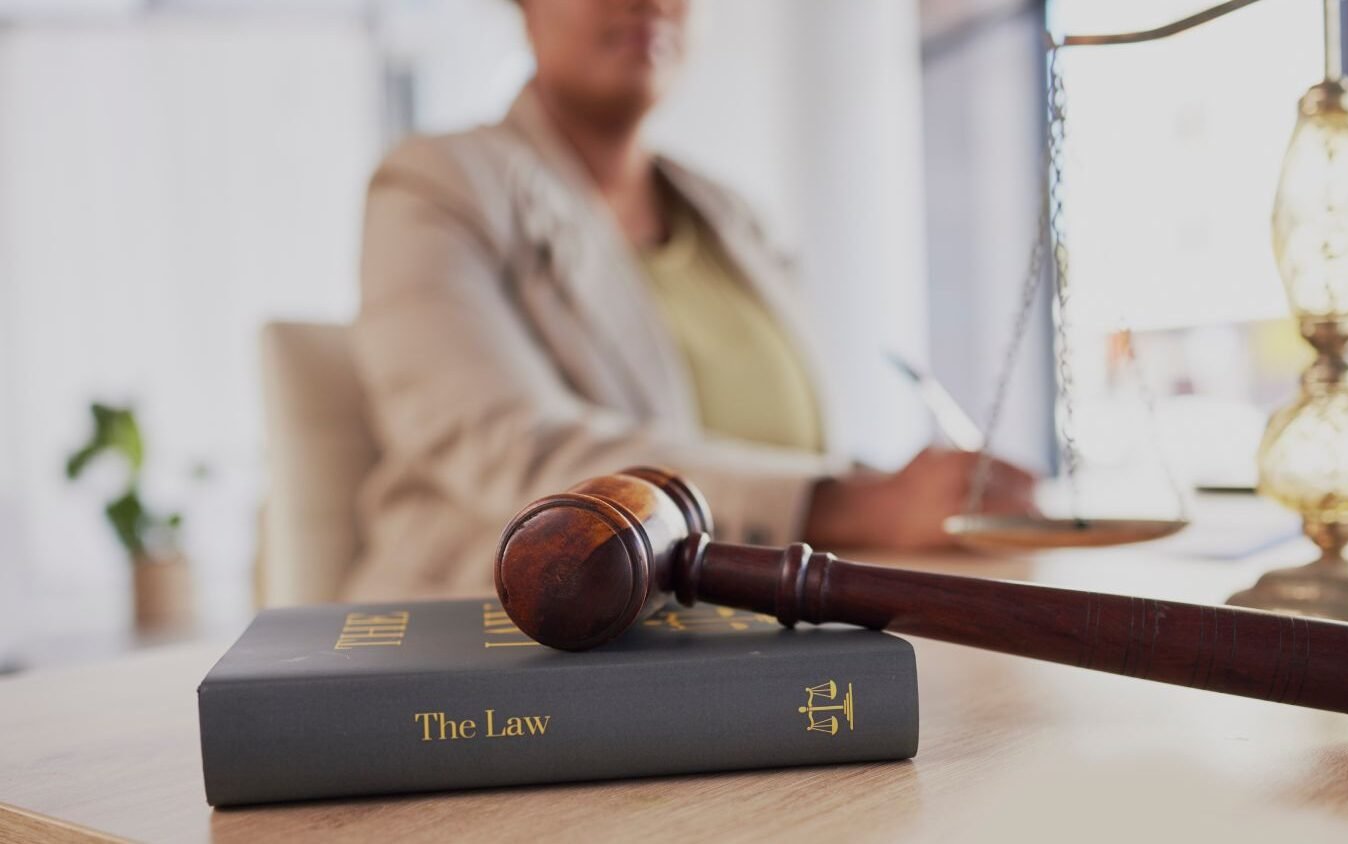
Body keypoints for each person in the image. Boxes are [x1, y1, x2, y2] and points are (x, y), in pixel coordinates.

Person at [345, 0, 1034, 600]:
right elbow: (519, 454)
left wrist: (918, 494)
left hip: (749, 632)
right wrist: (850, 505)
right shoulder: (436, 185)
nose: (650, 2)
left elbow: (783, 450)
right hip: (506, 644)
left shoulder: (738, 221)